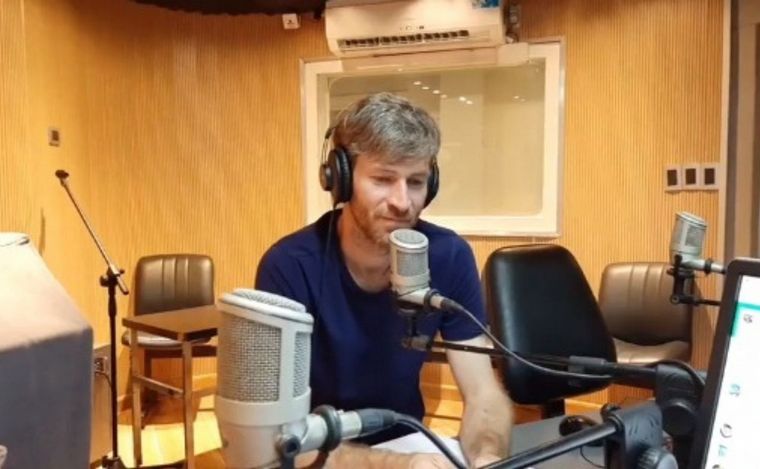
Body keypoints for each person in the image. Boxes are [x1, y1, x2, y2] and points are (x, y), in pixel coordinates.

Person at [256, 92, 512, 468]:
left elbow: (483, 393)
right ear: (341, 179)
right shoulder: (289, 266)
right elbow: (274, 436)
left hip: (408, 441)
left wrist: (488, 454)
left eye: (416, 181)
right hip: (317, 456)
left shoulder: (449, 256)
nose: (402, 202)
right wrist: (396, 465)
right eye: (383, 179)